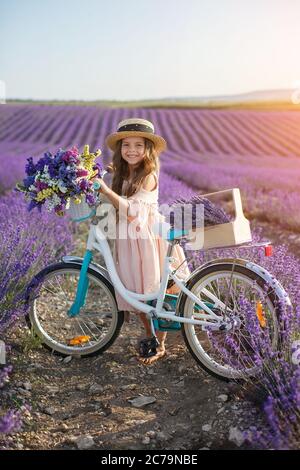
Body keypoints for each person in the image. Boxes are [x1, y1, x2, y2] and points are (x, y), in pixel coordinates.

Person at [95, 118, 190, 364]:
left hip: (148, 238)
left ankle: (161, 342)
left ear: (148, 149)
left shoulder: (148, 174)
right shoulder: (126, 171)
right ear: (120, 149)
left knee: (158, 291)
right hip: (130, 239)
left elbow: (134, 211)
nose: (132, 150)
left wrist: (106, 191)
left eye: (138, 145)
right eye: (126, 145)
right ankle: (149, 335)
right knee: (134, 290)